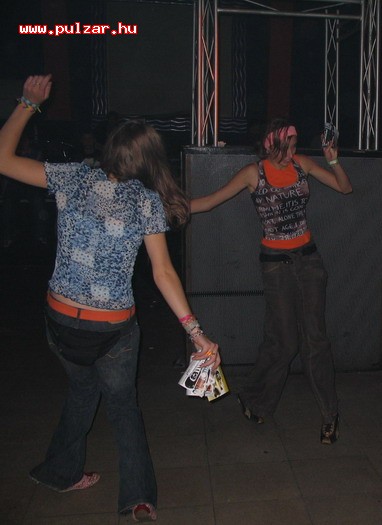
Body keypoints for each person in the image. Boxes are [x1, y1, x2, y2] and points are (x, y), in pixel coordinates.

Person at [0, 75, 220, 523]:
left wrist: (27, 102)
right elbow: (163, 272)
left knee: (83, 390)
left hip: (61, 323)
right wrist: (196, 334)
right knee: (121, 406)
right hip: (112, 331)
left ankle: (61, 471)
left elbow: (2, 159)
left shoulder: (73, 176)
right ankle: (138, 497)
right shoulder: (146, 202)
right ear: (149, 159)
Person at [190, 117, 351, 444]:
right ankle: (255, 398)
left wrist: (333, 160)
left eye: (293, 146)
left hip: (309, 260)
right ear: (268, 145)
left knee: (315, 340)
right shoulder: (255, 173)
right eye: (284, 147)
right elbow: (209, 201)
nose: (291, 152)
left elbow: (344, 188)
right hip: (276, 265)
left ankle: (329, 414)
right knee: (284, 342)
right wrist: (163, 207)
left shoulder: (302, 164)